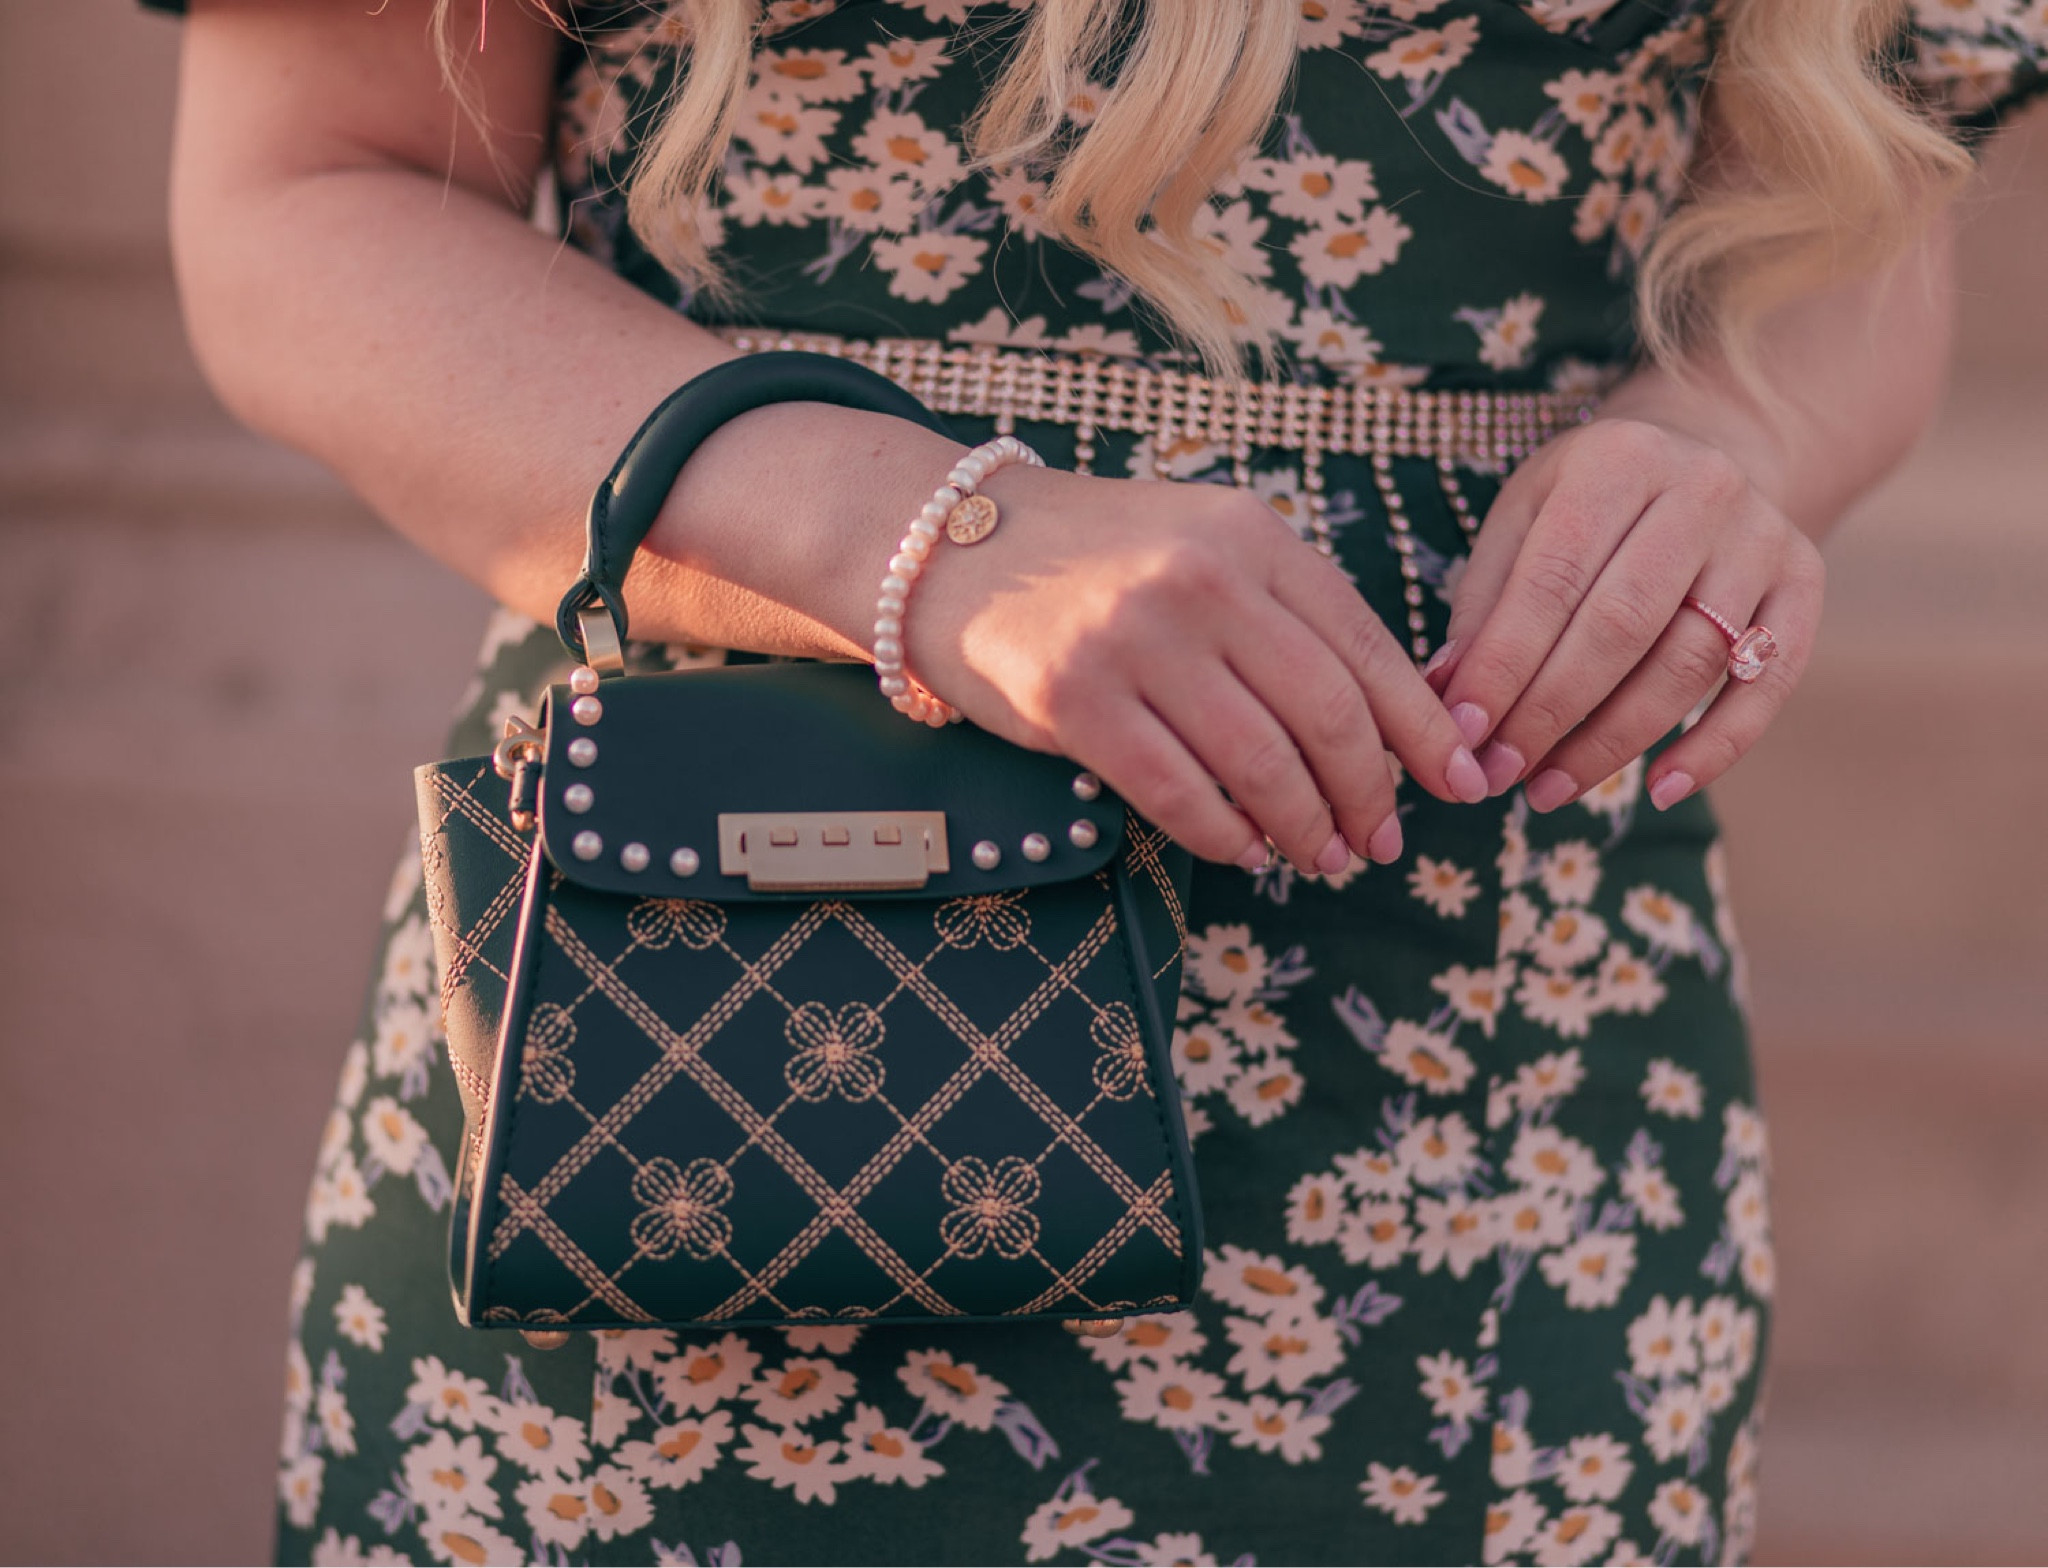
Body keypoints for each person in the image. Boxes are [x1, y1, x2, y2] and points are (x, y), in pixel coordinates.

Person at [151, 1, 2042, 1562]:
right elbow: (309, 192)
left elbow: (1866, 219)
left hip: (1493, 1060)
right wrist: (921, 537)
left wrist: (1721, 445)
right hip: (727, 1023)